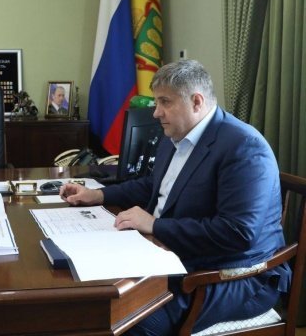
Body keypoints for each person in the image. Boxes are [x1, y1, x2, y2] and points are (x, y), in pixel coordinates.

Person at [59, 60, 290, 335]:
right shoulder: (175, 136)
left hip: (235, 275)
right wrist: (97, 194)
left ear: (196, 102)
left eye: (165, 102)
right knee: (87, 295)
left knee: (124, 322)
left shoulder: (245, 147)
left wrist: (155, 226)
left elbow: (238, 233)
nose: (156, 112)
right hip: (170, 255)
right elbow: (153, 186)